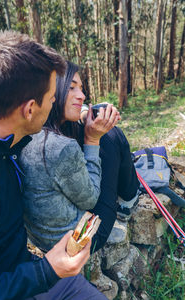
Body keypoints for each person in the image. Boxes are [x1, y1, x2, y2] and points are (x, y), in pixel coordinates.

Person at [0, 31, 108, 300]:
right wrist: (47, 271)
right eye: (53, 96)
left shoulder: (8, 146)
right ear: (29, 110)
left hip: (26, 269)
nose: (55, 101)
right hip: (18, 283)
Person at [21, 61, 139, 254]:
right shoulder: (61, 147)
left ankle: (130, 191)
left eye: (81, 89)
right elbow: (91, 201)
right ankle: (129, 198)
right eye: (71, 88)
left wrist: (84, 113)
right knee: (111, 136)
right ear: (53, 92)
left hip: (41, 236)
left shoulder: (29, 131)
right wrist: (92, 140)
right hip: (79, 240)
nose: (82, 95)